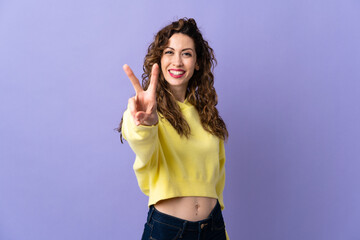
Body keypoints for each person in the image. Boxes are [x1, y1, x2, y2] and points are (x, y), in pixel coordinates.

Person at [117, 18, 229, 240]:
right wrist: (146, 124)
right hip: (168, 230)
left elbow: (217, 179)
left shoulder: (207, 115)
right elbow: (140, 141)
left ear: (197, 62)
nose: (177, 61)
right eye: (169, 52)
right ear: (159, 59)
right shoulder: (145, 110)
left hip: (212, 227)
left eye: (186, 53)